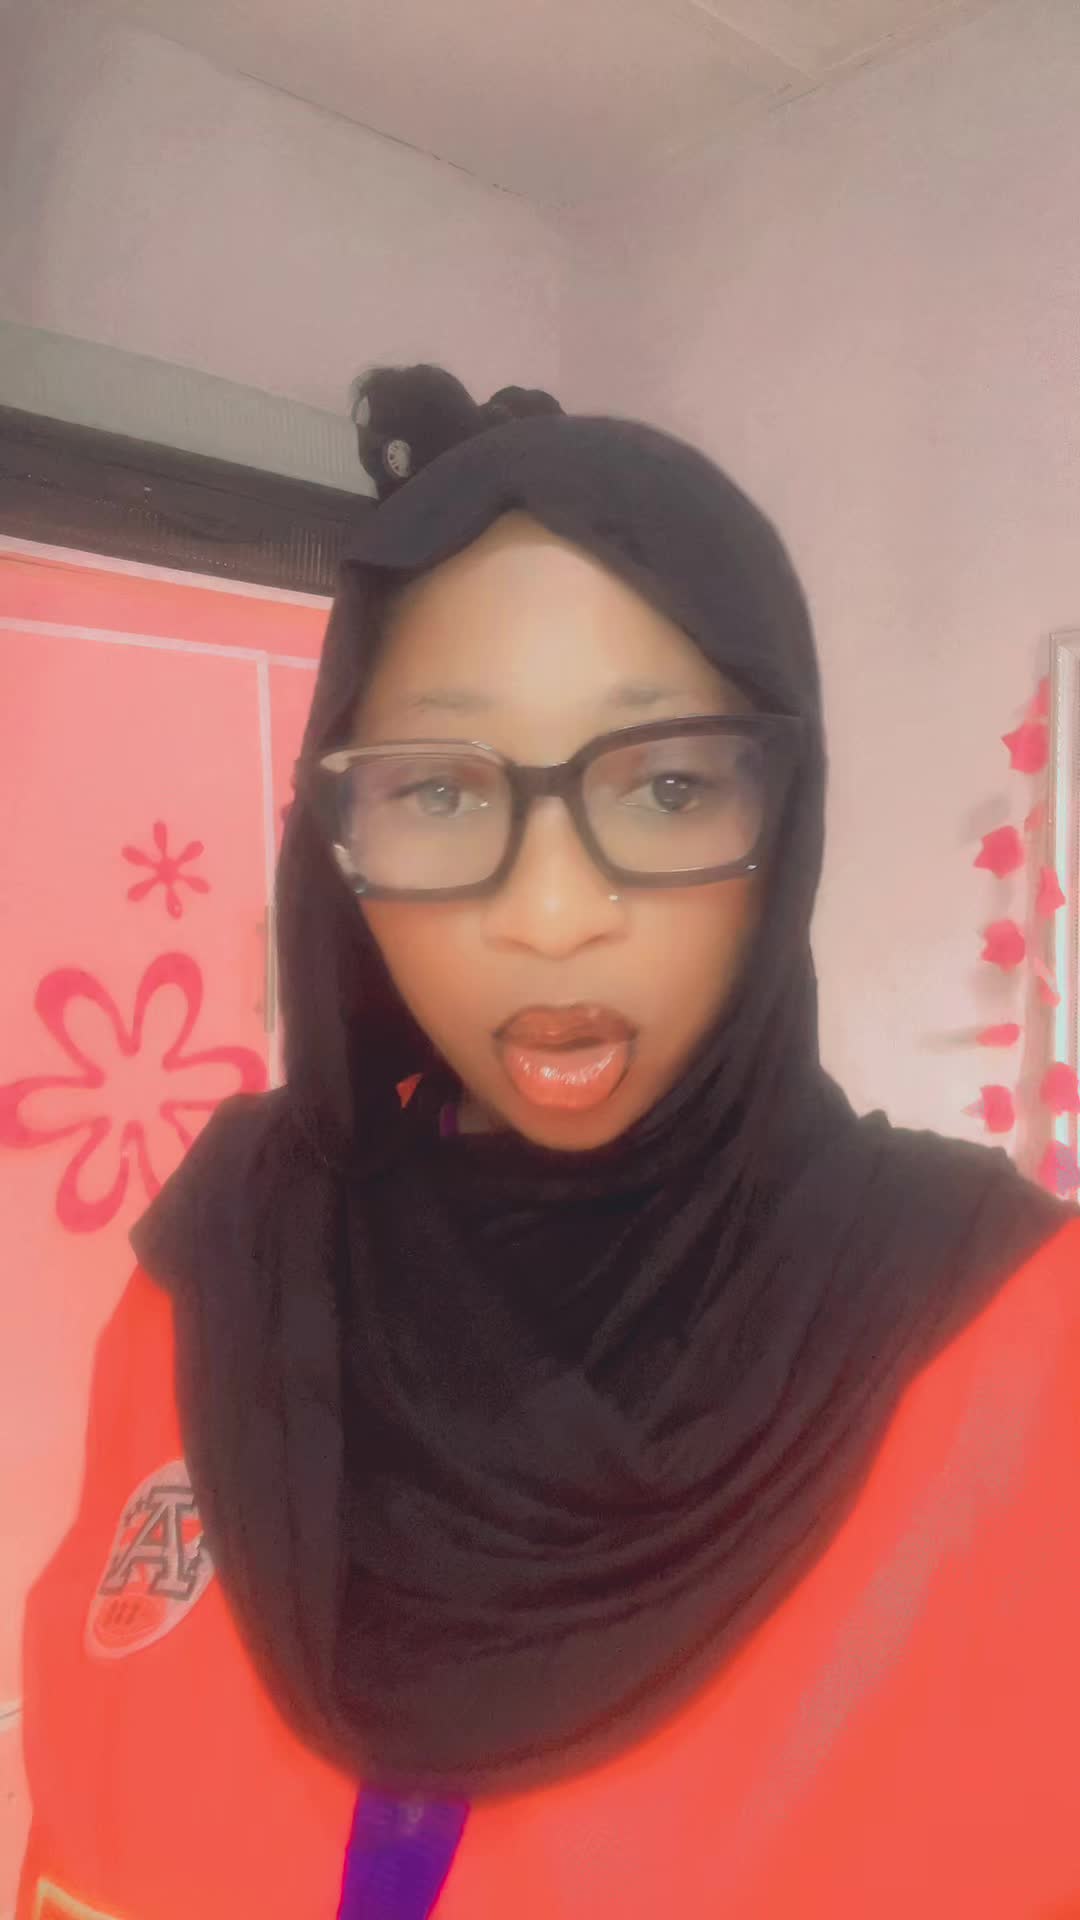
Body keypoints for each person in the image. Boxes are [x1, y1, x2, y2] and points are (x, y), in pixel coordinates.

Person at [18, 367, 1079, 1920]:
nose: (553, 913)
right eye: (441, 792)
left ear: (785, 811)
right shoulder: (225, 1265)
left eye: (667, 785)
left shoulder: (1015, 1345)